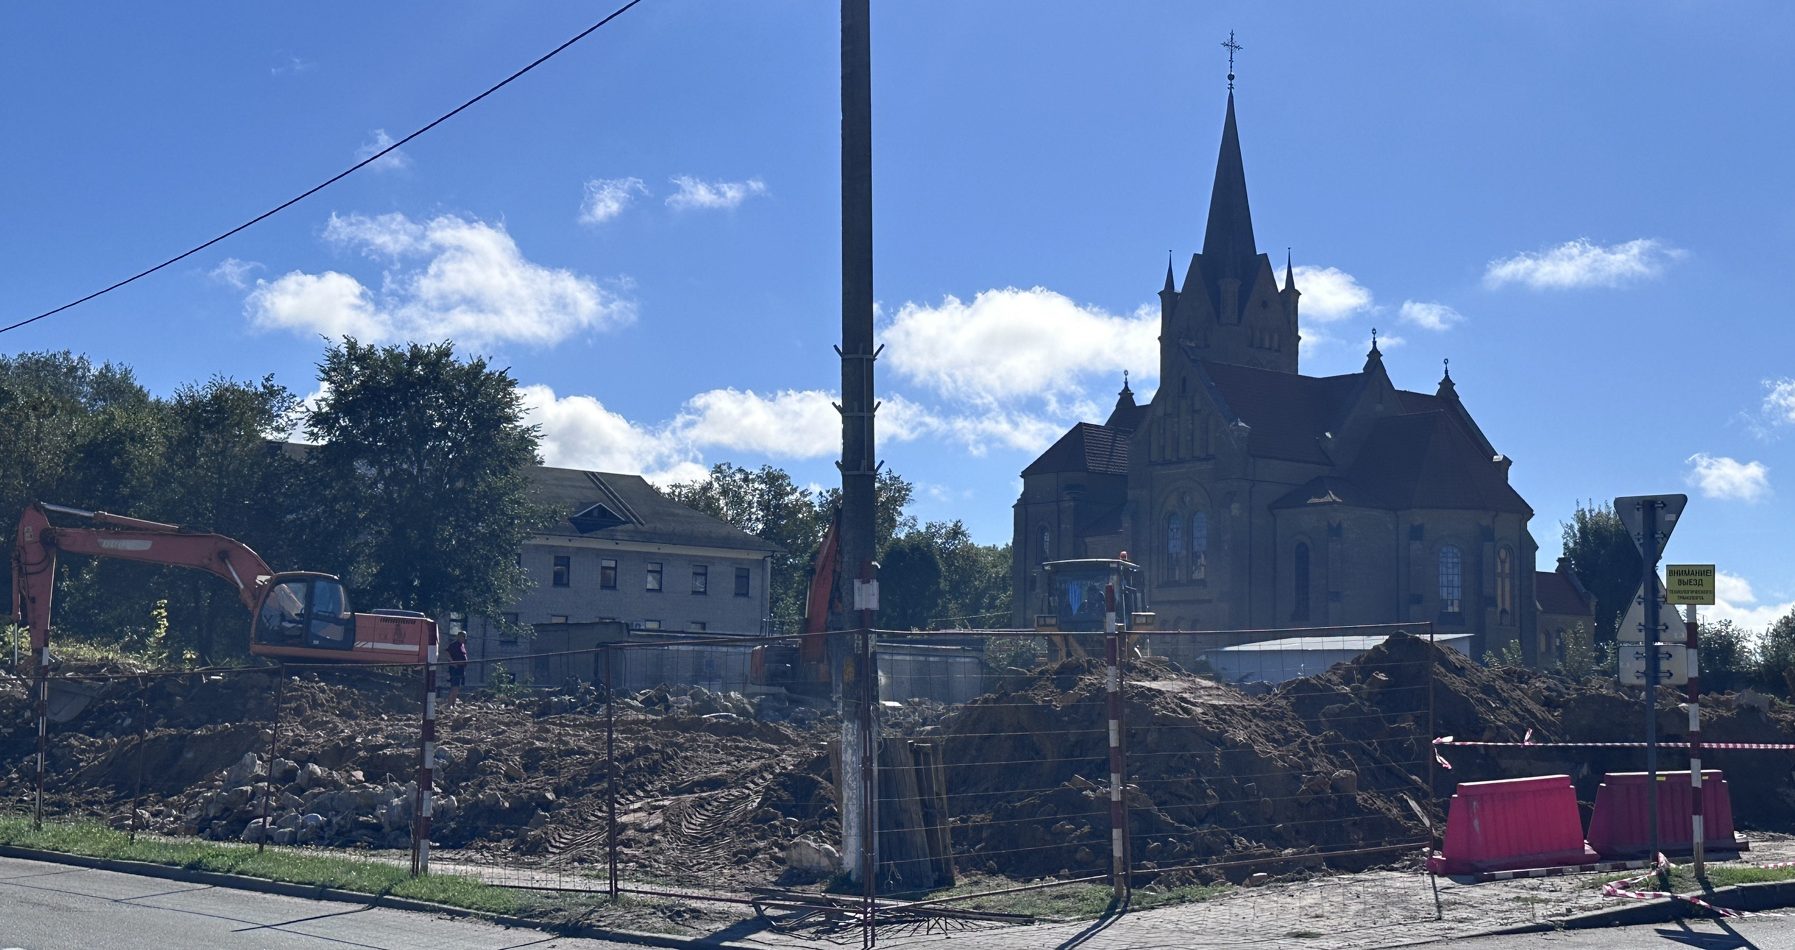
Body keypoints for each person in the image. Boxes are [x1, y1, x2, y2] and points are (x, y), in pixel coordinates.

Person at [445, 630, 470, 706]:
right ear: (459, 636)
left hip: (461, 669)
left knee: (457, 687)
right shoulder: (454, 645)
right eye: (463, 637)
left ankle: (454, 703)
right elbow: (447, 653)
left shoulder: (462, 645)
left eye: (465, 637)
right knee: (454, 686)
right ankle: (450, 704)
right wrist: (452, 663)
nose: (465, 638)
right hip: (455, 669)